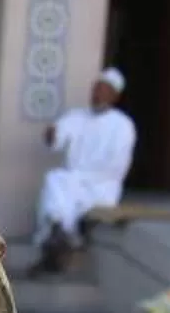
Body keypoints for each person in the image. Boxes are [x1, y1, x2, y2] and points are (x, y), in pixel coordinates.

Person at [34, 69, 136, 272]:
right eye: (95, 89)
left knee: (61, 188)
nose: (96, 94)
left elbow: (116, 167)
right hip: (73, 182)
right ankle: (60, 235)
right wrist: (51, 135)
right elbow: (57, 137)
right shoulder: (77, 116)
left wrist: (83, 177)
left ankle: (58, 235)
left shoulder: (123, 125)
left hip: (101, 186)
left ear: (115, 96)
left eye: (103, 90)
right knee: (55, 178)